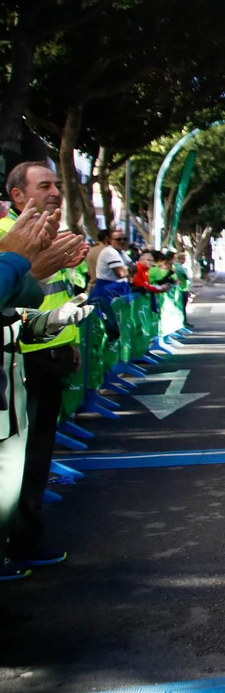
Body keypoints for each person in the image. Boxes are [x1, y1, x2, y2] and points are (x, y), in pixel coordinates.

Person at [0, 166, 90, 575]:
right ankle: (18, 545)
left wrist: (64, 330)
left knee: (30, 461)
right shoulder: (10, 235)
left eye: (58, 184)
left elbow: (37, 299)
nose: (56, 192)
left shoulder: (49, 233)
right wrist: (23, 262)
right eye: (45, 186)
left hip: (36, 351)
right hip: (22, 361)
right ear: (18, 196)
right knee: (21, 464)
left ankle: (19, 544)